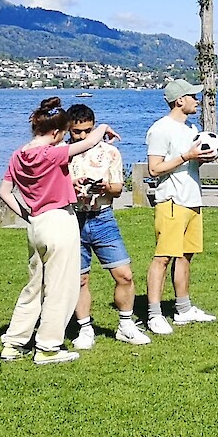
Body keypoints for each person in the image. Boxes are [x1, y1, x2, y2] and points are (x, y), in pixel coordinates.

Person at [0, 97, 119, 365]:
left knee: (34, 287)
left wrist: (27, 214)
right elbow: (88, 143)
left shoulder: (18, 156)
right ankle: (48, 347)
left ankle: (14, 342)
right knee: (61, 288)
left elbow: (5, 191)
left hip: (37, 225)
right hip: (60, 222)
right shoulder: (52, 153)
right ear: (55, 132)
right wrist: (104, 127)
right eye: (63, 134)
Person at [66, 104, 151, 350]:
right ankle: (84, 329)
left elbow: (117, 189)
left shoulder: (110, 153)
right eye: (77, 132)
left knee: (124, 274)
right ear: (69, 130)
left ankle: (126, 325)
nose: (82, 137)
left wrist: (104, 187)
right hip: (74, 218)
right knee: (80, 279)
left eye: (87, 131)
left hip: (103, 218)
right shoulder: (63, 153)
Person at [144, 78, 218, 335]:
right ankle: (154, 314)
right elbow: (154, 169)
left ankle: (183, 309)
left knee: (186, 256)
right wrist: (186, 156)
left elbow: (190, 166)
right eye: (193, 97)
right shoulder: (160, 129)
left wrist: (204, 158)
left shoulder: (191, 131)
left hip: (192, 200)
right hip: (172, 201)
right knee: (163, 257)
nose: (197, 101)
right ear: (180, 100)